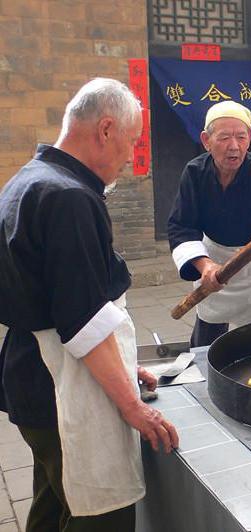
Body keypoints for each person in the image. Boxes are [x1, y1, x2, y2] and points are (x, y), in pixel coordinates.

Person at [0, 78, 179, 531]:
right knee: (98, 513)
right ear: (105, 129)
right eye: (132, 141)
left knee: (53, 502)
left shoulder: (28, 180)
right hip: (63, 385)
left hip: (31, 375)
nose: (131, 156)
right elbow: (81, 321)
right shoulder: (68, 198)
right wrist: (132, 406)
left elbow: (59, 295)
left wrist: (121, 363)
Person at [168, 101, 251, 347]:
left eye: (241, 136)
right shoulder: (195, 173)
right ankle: (203, 370)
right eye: (224, 137)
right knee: (208, 327)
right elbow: (181, 226)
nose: (234, 146)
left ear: (249, 138)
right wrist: (205, 267)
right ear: (206, 140)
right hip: (213, 259)